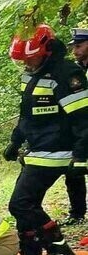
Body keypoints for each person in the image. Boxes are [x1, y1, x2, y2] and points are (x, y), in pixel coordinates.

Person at [5, 24, 88, 255]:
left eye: (31, 59)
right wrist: (15, 142)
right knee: (26, 206)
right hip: (37, 150)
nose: (27, 64)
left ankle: (59, 251)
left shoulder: (66, 74)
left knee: (21, 203)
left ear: (47, 51)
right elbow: (26, 116)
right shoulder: (31, 75)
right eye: (23, 60)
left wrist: (81, 155)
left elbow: (83, 119)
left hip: (57, 151)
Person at [63, 28, 88, 225]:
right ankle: (77, 213)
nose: (75, 51)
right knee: (74, 171)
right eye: (73, 47)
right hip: (79, 128)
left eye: (79, 46)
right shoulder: (76, 70)